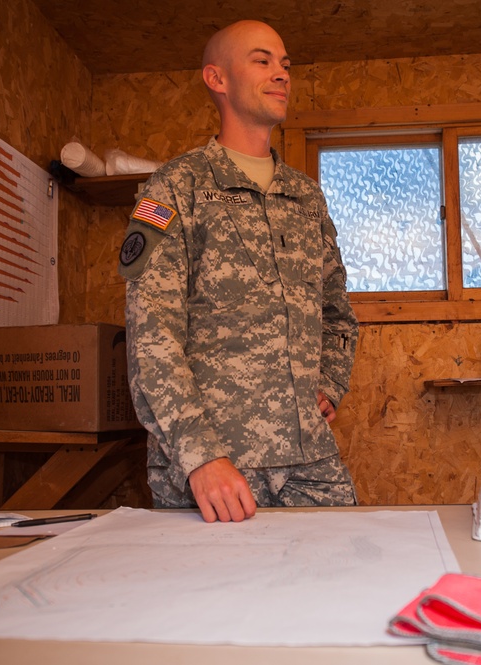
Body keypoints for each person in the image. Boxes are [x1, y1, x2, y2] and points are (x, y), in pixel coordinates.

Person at [118, 20, 359, 523]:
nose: (281, 74)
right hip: (213, 466)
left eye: (285, 64)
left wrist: (330, 383)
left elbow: (337, 314)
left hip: (307, 460)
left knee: (341, 583)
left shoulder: (306, 196)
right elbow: (151, 336)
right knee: (216, 600)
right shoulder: (172, 188)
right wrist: (200, 455)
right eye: (262, 60)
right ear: (217, 78)